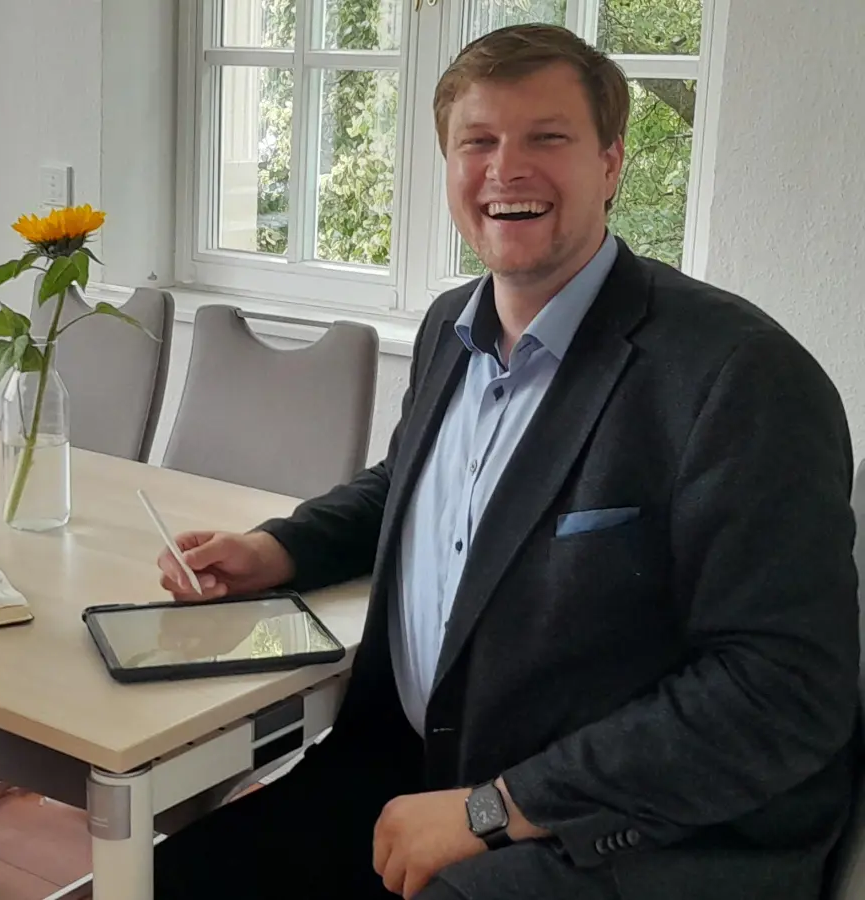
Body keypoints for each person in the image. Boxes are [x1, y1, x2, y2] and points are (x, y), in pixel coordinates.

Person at [153, 24, 859, 900]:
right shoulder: (452, 326)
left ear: (611, 164)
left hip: (623, 834)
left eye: (547, 138)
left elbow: (784, 691)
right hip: (413, 772)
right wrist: (282, 548)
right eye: (478, 141)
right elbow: (412, 487)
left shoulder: (740, 377)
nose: (506, 170)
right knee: (166, 883)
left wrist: (496, 808)